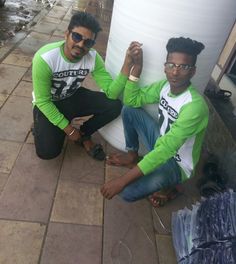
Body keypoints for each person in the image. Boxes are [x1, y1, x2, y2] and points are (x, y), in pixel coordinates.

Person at [101, 37, 209, 206]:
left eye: (183, 67)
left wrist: (122, 181)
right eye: (171, 65)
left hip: (177, 163)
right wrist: (137, 68)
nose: (175, 72)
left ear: (192, 71)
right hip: (161, 143)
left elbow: (166, 149)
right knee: (129, 111)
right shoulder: (164, 86)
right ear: (165, 66)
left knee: (127, 192)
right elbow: (131, 101)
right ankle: (132, 156)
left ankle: (171, 187)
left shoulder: (194, 106)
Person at [32, 11, 140, 161]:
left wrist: (127, 65)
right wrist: (69, 130)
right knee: (47, 153)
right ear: (66, 34)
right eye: (76, 37)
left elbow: (111, 94)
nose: (81, 44)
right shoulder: (45, 58)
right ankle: (41, 126)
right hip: (50, 102)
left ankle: (84, 134)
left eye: (88, 42)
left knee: (114, 105)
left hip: (72, 96)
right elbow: (42, 101)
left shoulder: (93, 58)